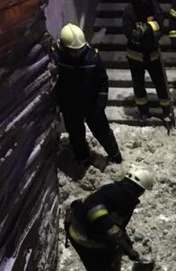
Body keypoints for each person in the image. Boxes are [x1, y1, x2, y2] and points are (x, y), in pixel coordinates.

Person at [65, 168, 154, 271]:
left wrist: (125, 243)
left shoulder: (125, 196)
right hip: (82, 237)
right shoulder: (114, 193)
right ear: (139, 189)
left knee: (113, 255)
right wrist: (121, 241)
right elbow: (97, 214)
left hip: (94, 232)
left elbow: (116, 224)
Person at [53, 23, 122, 165]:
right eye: (73, 50)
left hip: (92, 104)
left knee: (102, 132)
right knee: (76, 134)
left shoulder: (93, 58)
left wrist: (100, 103)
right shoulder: (59, 58)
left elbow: (103, 80)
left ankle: (115, 155)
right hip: (70, 105)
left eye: (79, 49)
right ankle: (82, 159)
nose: (76, 53)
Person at [122, 0, 173, 120]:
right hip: (135, 56)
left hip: (152, 54)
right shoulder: (129, 11)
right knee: (138, 84)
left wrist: (149, 29)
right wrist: (136, 35)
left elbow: (160, 25)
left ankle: (166, 109)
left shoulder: (155, 7)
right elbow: (127, 32)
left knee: (160, 83)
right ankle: (143, 111)